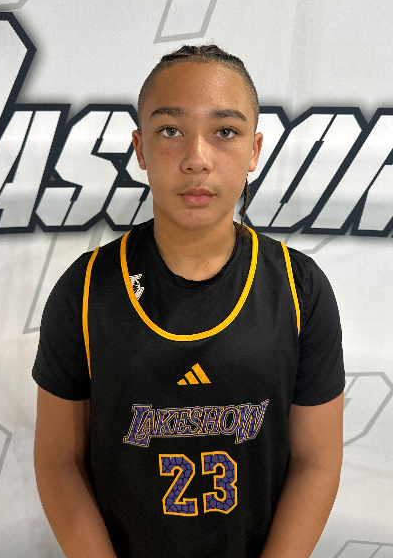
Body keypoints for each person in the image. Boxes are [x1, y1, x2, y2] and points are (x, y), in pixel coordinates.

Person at [33, 45, 345, 558]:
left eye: (225, 131)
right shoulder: (85, 289)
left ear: (254, 150)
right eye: (170, 130)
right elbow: (58, 461)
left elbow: (316, 461)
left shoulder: (300, 288)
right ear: (139, 149)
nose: (197, 157)